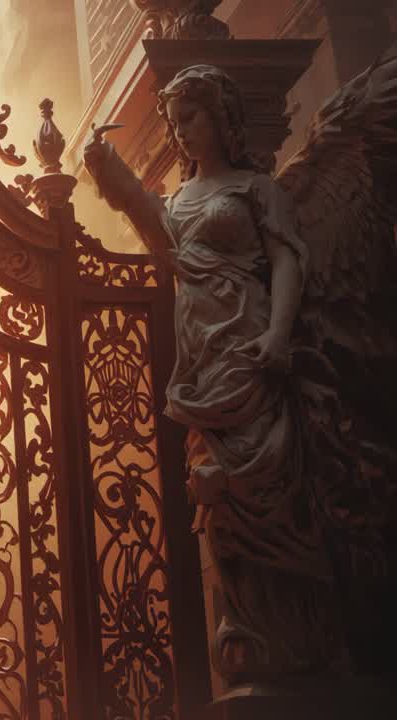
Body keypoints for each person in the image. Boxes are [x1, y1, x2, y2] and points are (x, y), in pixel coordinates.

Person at [82, 64, 390, 685]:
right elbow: (163, 242)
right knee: (218, 504)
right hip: (203, 364)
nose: (181, 132)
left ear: (221, 117)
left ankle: (303, 645)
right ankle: (247, 637)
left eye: (190, 117)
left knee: (272, 489)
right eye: (173, 123)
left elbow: (286, 262)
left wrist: (277, 334)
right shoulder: (180, 200)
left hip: (252, 351)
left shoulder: (258, 189)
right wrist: (113, 178)